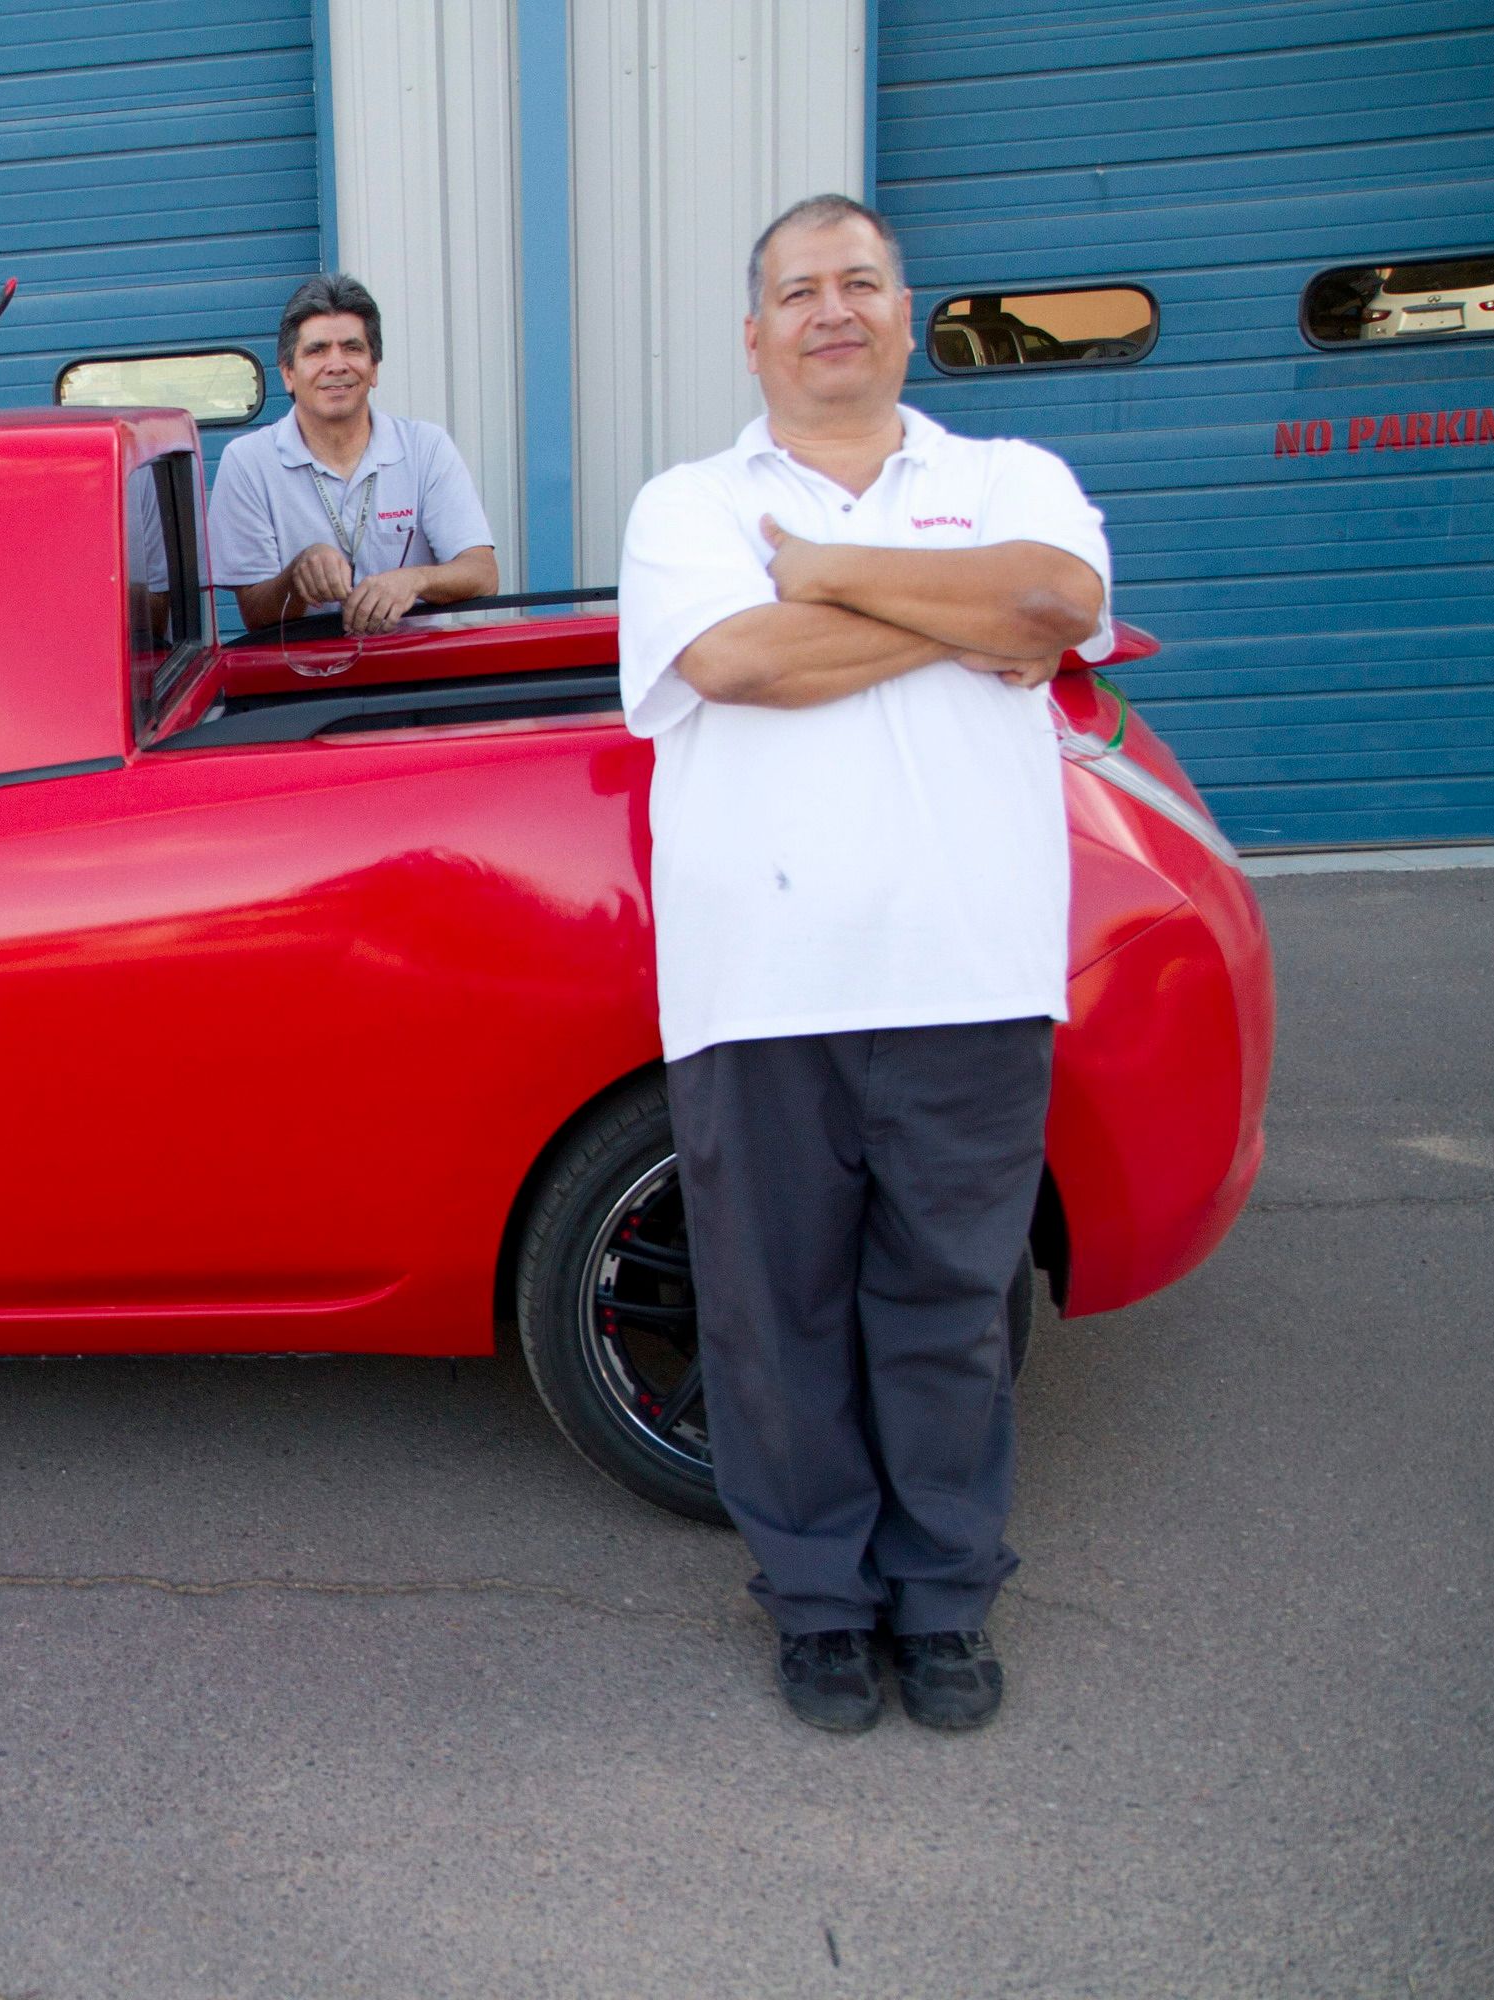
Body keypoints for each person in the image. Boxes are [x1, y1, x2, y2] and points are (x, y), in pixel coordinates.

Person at [614, 194, 1113, 1734]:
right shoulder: (686, 505)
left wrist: (827, 571)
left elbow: (1062, 604)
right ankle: (822, 1606)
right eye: (798, 290)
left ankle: (945, 1604)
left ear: (908, 312)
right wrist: (963, 610)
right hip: (761, 984)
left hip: (969, 975)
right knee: (777, 1319)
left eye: (860, 282)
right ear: (752, 333)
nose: (832, 309)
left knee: (949, 1313)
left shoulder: (1008, 475)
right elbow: (736, 664)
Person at [208, 274, 499, 634]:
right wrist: (298, 576)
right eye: (317, 350)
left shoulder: (426, 447)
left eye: (352, 348)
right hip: (300, 678)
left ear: (374, 369)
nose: (336, 364)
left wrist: (412, 581)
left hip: (418, 675)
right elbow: (254, 613)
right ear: (287, 374)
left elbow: (483, 573)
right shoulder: (247, 462)